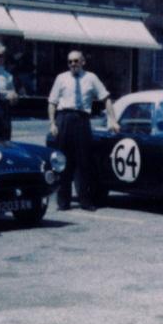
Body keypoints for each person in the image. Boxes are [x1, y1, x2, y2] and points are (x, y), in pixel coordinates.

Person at [47, 50, 119, 211]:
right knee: (63, 161)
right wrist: (52, 123)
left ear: (83, 62)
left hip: (82, 120)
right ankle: (63, 201)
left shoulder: (91, 78)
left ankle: (85, 200)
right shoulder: (61, 78)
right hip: (63, 119)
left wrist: (112, 119)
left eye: (76, 61)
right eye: (70, 61)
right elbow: (52, 102)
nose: (73, 64)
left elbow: (106, 98)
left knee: (83, 161)